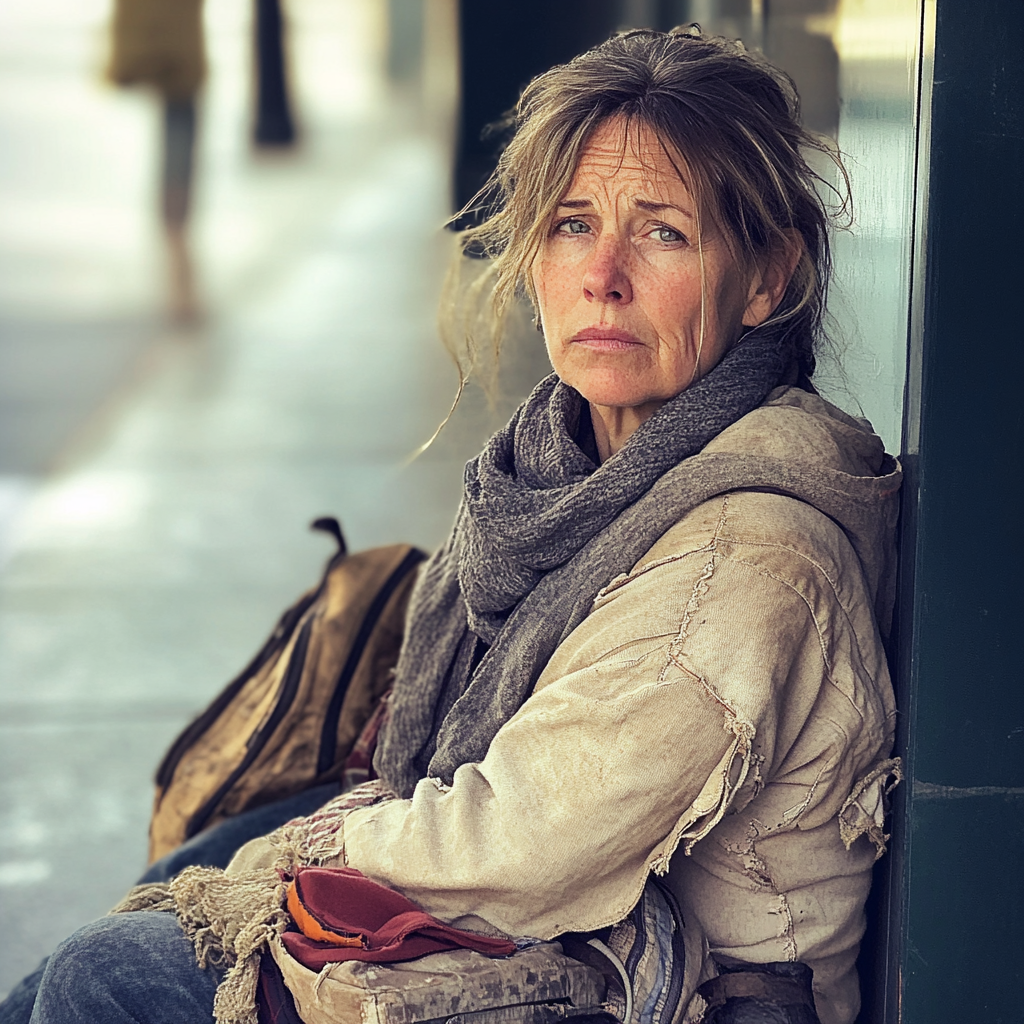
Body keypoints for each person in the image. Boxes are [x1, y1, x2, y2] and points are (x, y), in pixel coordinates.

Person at [11, 26, 901, 1024]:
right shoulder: (568, 468)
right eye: (571, 224)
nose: (602, 274)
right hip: (559, 930)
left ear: (768, 277)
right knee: (129, 919)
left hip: (660, 985)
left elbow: (518, 840)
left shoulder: (749, 557)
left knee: (108, 976)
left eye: (662, 233)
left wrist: (291, 859)